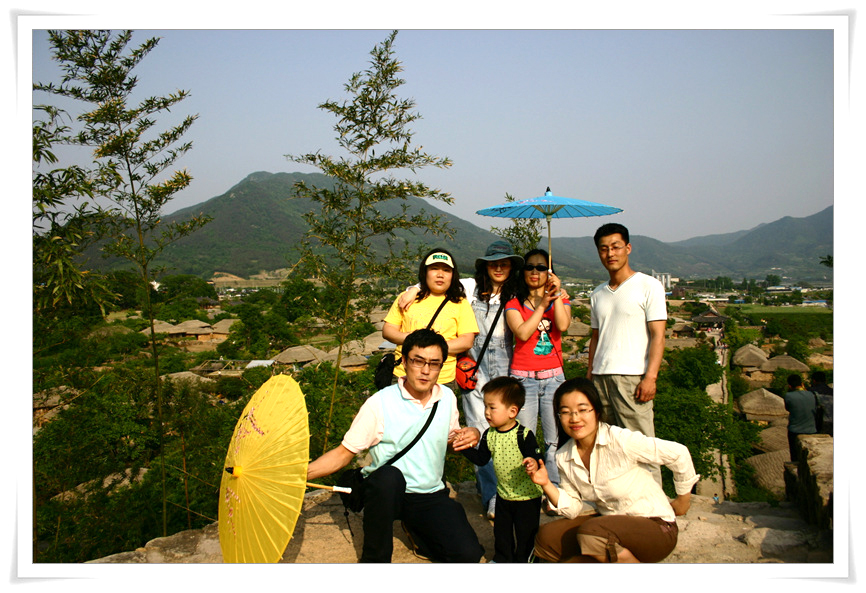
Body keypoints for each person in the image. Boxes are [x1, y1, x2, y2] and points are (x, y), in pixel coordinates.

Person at [306, 329, 485, 563]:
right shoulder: (380, 402)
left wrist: (470, 435)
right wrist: (300, 474)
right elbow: (343, 454)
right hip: (387, 494)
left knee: (468, 555)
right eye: (418, 361)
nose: (425, 370)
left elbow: (449, 441)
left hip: (428, 493)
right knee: (389, 477)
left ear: (441, 367)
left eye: (434, 364)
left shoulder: (447, 398)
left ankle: (416, 530)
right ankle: (375, 560)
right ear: (405, 363)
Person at [398, 240, 524, 520]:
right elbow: (437, 283)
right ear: (485, 267)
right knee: (479, 431)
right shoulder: (469, 287)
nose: (499, 268)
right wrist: (413, 289)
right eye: (494, 263)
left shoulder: (518, 292)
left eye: (504, 264)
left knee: (507, 433)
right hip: (474, 370)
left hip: (506, 368)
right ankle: (492, 496)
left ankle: (513, 491)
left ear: (511, 267)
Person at [526, 378, 699, 563]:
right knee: (547, 537)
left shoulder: (619, 440)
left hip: (654, 526)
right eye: (566, 412)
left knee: (592, 532)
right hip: (609, 526)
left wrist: (683, 500)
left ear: (597, 411)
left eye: (583, 410)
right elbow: (573, 508)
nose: (574, 418)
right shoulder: (564, 455)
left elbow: (678, 454)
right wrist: (546, 484)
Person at [586, 223, 666, 482]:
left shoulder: (648, 285)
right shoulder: (597, 293)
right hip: (600, 378)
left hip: (632, 378)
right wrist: (590, 374)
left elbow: (658, 335)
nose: (610, 253)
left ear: (628, 248)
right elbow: (595, 338)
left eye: (616, 247)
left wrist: (650, 377)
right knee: (608, 446)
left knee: (642, 446)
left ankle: (654, 501)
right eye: (604, 249)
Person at [506, 248, 571, 487]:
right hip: (524, 379)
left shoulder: (560, 299)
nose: (535, 272)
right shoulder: (514, 302)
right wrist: (542, 306)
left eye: (541, 267)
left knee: (555, 440)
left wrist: (556, 295)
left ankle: (554, 489)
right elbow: (522, 333)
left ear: (549, 272)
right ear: (523, 272)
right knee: (525, 439)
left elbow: (562, 325)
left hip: (554, 377)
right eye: (530, 267)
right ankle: (527, 489)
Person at [461, 376, 543, 563]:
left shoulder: (524, 435)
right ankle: (503, 559)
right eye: (485, 406)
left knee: (526, 533)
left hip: (527, 497)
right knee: (502, 531)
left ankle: (526, 561)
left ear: (512, 411)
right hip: (504, 495)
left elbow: (537, 458)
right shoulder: (489, 434)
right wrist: (463, 448)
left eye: (492, 407)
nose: (486, 412)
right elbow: (481, 459)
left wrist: (533, 462)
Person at [383, 248, 479, 388]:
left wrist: (430, 348)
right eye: (434, 269)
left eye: (446, 270)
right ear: (425, 272)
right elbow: (388, 330)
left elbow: (466, 341)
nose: (440, 274)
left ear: (453, 275)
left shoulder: (460, 303)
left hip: (442, 378)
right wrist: (415, 340)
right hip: (403, 375)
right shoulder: (406, 299)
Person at [783, 373, 818, 461]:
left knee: (795, 457)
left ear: (790, 386)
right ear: (802, 383)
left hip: (795, 430)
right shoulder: (813, 395)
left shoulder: (788, 396)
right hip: (811, 430)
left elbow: (788, 408)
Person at [809, 370, 833, 435]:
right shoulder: (832, 391)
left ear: (814, 381)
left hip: (820, 422)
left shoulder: (811, 392)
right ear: (826, 380)